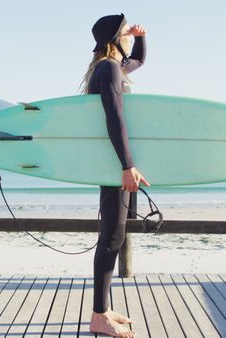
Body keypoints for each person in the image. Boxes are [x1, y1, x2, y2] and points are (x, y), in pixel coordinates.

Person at [80, 13, 149, 338]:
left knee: (113, 236)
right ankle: (98, 316)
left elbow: (138, 60)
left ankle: (103, 310)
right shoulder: (108, 68)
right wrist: (126, 164)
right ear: (113, 39)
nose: (127, 37)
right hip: (113, 162)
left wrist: (140, 37)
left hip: (113, 161)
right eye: (124, 33)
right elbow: (114, 118)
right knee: (111, 238)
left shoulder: (110, 67)